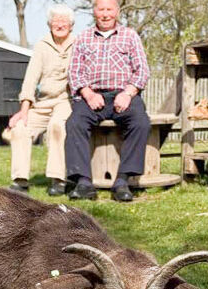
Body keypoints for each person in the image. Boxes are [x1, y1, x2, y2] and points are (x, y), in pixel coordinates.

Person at [64, 0, 150, 202]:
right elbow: (74, 72)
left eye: (109, 10)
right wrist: (88, 93)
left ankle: (123, 181)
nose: (105, 14)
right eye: (100, 9)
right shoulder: (83, 38)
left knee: (141, 122)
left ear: (117, 12)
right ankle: (84, 182)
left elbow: (142, 70)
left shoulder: (130, 36)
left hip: (124, 94)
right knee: (74, 123)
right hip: (93, 96)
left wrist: (128, 93)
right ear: (94, 12)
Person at [8, 4, 76, 196]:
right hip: (43, 101)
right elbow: (31, 78)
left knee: (56, 126)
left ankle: (58, 179)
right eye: (56, 21)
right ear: (49, 24)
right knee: (20, 128)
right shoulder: (41, 45)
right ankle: (20, 180)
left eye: (64, 21)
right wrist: (24, 111)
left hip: (66, 100)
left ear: (71, 25)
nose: (60, 24)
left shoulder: (78, 43)